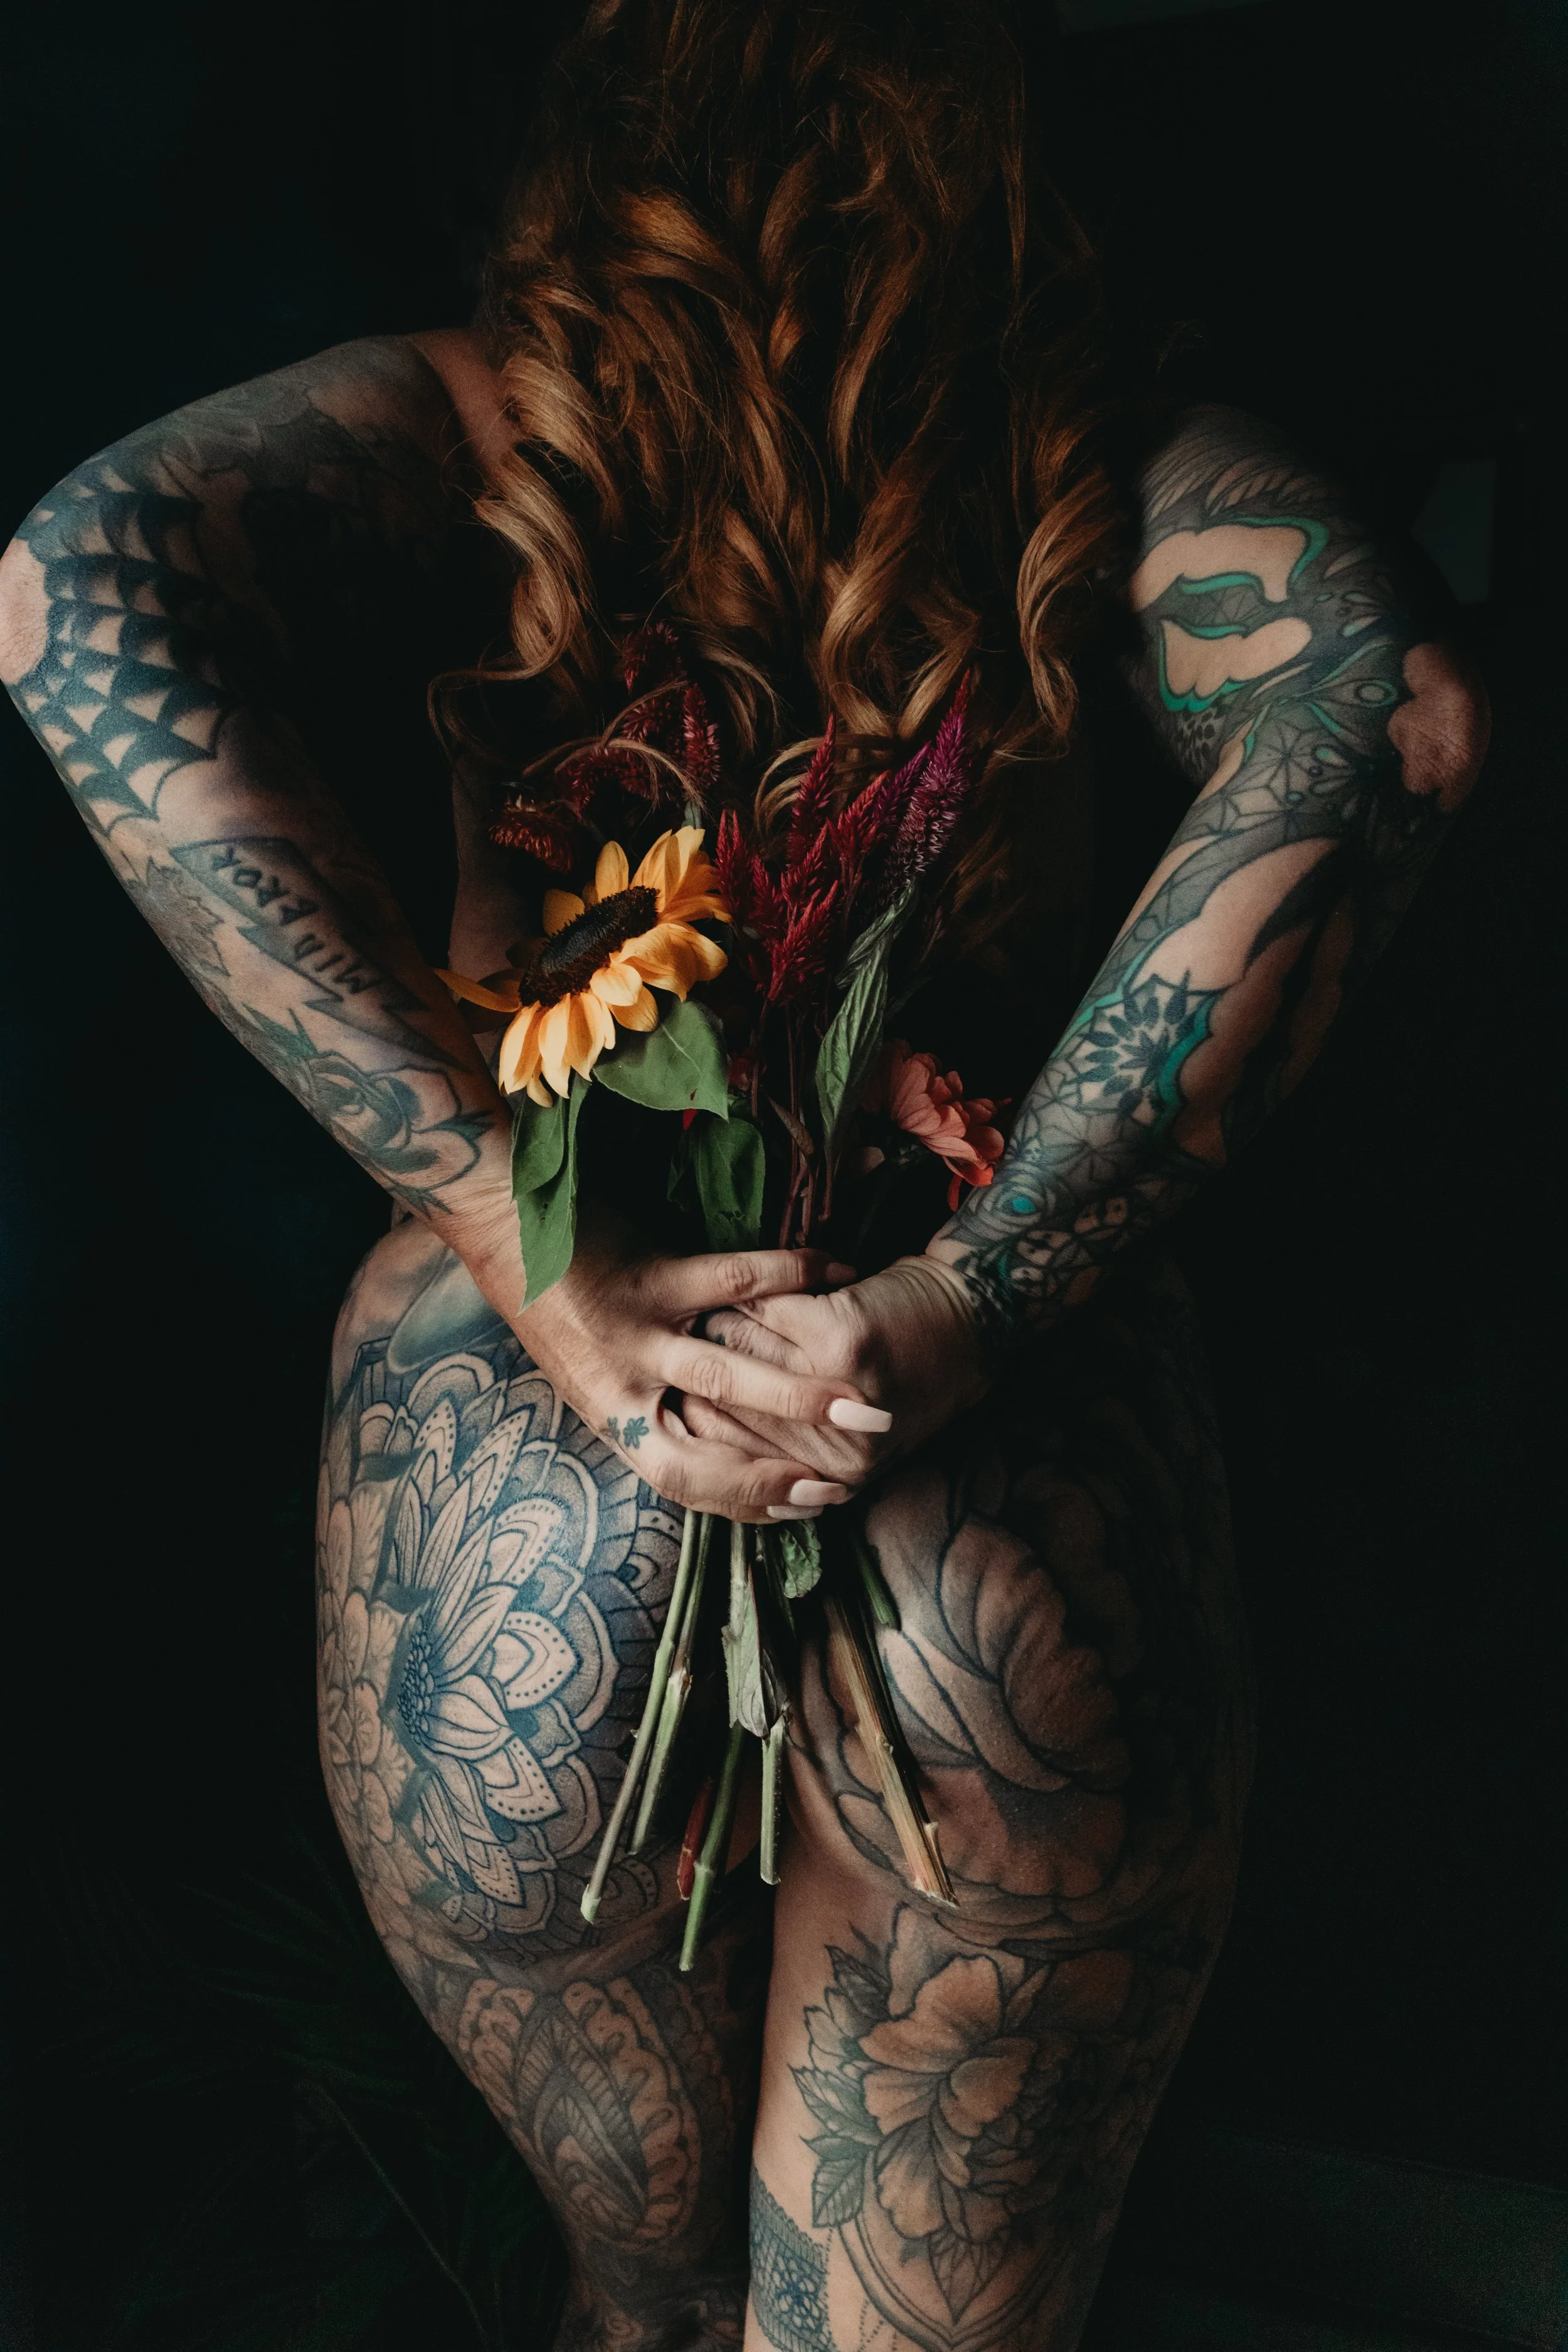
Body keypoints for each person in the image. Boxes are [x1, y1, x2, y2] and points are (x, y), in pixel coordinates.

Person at [0, 4, 1489, 2346]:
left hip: (522, 1446)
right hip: (981, 1454)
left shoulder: (481, 429)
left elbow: (72, 587)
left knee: (649, 2305)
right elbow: (1389, 709)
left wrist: (513, 1221)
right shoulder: (1096, 468)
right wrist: (972, 1294)